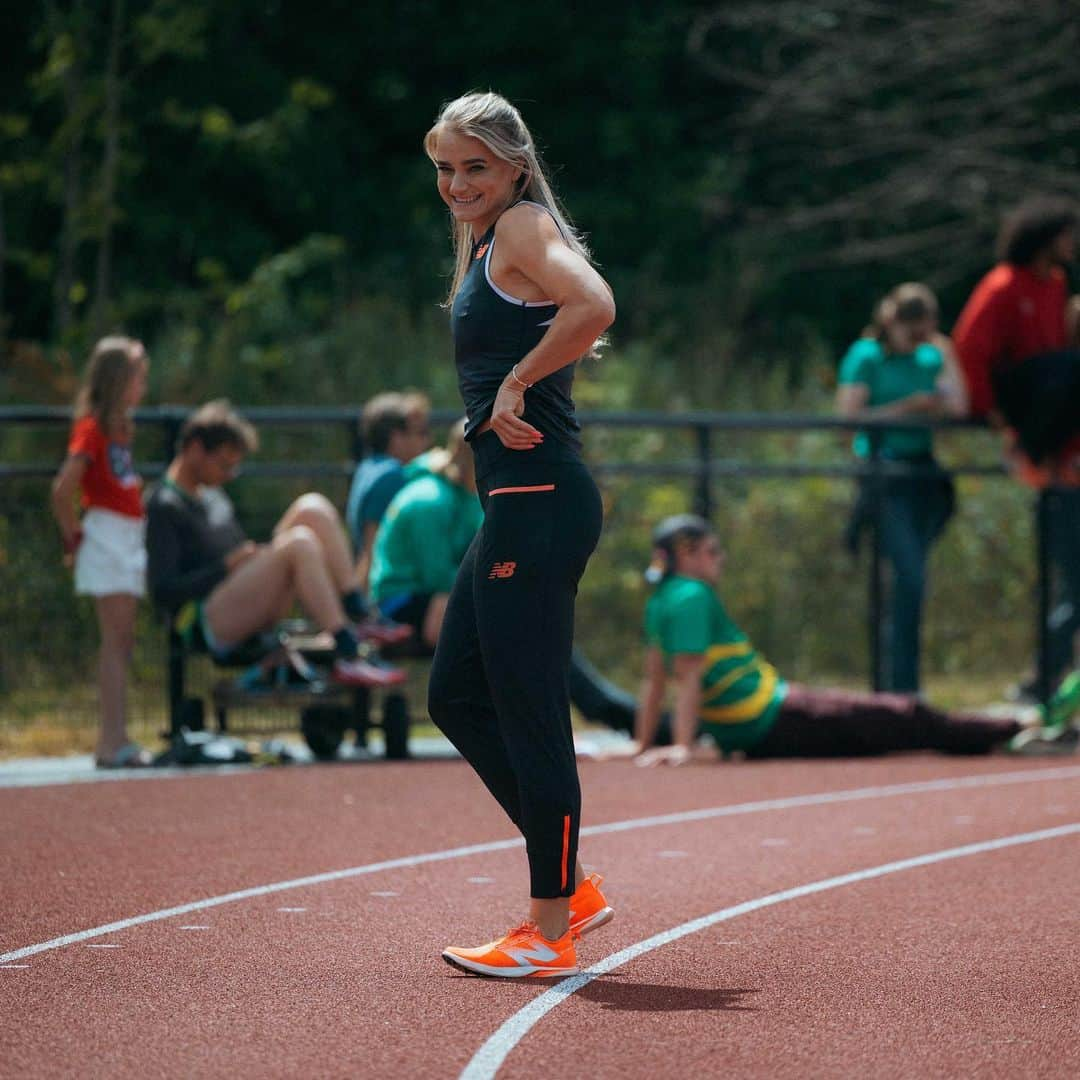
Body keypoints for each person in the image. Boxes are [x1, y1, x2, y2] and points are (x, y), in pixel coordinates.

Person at [424, 91, 616, 979]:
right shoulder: (493, 242)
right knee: (456, 695)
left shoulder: (526, 226)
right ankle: (570, 886)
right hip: (515, 502)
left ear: (514, 167)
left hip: (539, 500)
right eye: (445, 168)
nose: (458, 184)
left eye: (475, 167)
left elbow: (596, 304)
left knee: (532, 712)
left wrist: (515, 384)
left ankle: (548, 928)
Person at [632, 515, 1028, 767]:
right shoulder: (693, 596)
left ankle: (994, 734)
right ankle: (1016, 728)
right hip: (773, 716)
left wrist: (642, 744)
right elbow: (689, 676)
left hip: (759, 725)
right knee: (903, 715)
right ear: (686, 554)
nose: (721, 559)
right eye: (712, 551)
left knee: (887, 725)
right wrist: (682, 745)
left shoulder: (661, 600)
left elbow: (653, 682)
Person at [145, 400, 405, 689]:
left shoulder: (212, 495)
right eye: (223, 465)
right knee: (299, 544)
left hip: (244, 596)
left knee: (312, 509)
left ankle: (358, 612)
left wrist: (247, 559)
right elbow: (163, 592)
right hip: (207, 620)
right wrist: (225, 567)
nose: (228, 475)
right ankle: (348, 653)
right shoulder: (164, 505)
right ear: (194, 448)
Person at [952, 197, 1080, 694]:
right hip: (1021, 392)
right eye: (1066, 235)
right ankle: (1042, 678)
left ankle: (1047, 678)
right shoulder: (1004, 284)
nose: (1072, 245)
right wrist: (990, 413)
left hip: (1052, 395)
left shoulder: (1056, 286)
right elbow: (971, 347)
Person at [835, 283, 968, 693]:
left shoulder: (931, 357)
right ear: (896, 323)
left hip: (922, 474)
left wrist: (945, 354)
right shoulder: (867, 356)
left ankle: (902, 685)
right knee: (907, 577)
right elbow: (847, 419)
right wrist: (907, 408)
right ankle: (898, 687)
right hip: (883, 472)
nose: (917, 341)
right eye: (914, 331)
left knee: (911, 581)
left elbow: (960, 406)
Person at [50, 336, 152, 768]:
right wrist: (75, 538)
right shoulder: (92, 429)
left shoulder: (118, 429)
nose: (142, 385)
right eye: (137, 376)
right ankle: (111, 742)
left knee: (123, 640)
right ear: (118, 380)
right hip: (107, 536)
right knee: (115, 640)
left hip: (126, 536)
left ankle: (116, 737)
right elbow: (62, 490)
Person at [369, 419, 482, 651]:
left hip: (434, 592)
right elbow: (437, 576)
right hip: (396, 601)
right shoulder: (430, 502)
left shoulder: (467, 494)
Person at [345, 390, 432, 592]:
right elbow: (373, 550)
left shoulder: (368, 468)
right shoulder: (391, 477)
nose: (426, 442)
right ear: (396, 438)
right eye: (420, 433)